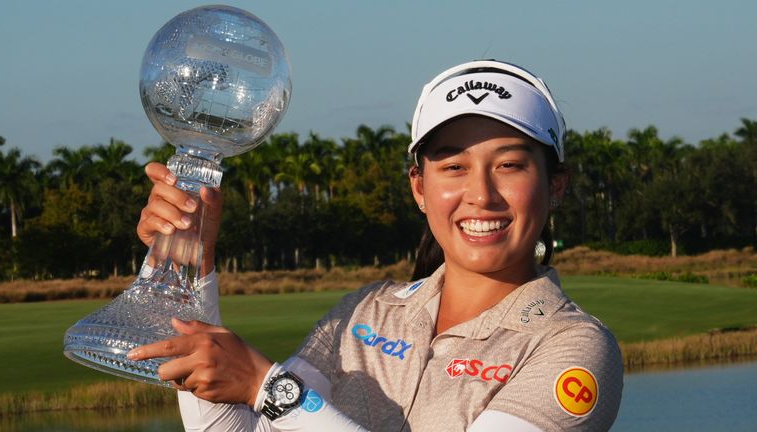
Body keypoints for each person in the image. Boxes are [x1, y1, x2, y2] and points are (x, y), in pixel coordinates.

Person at [129, 60, 623, 431]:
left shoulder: (573, 346)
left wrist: (267, 387)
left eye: (510, 164)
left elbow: (274, 401)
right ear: (419, 188)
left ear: (556, 184)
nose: (481, 195)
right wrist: (190, 269)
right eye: (453, 166)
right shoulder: (365, 313)